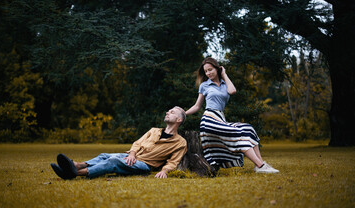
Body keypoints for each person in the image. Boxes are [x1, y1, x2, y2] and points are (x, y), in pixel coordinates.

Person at [185, 57, 279, 173]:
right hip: (209, 119)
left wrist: (224, 74)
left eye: (210, 70)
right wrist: (184, 113)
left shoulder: (225, 84)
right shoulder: (204, 85)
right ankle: (261, 166)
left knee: (248, 128)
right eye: (206, 71)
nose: (208, 73)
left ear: (217, 68)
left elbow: (232, 91)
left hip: (220, 118)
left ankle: (259, 165)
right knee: (238, 134)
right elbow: (197, 106)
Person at [50, 106, 187, 179]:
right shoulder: (154, 130)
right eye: (168, 111)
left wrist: (164, 171)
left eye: (172, 112)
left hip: (145, 165)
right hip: (131, 157)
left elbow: (173, 162)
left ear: (179, 120)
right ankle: (75, 166)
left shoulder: (180, 142)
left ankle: (75, 173)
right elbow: (137, 143)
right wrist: (132, 154)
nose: (168, 112)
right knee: (105, 155)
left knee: (113, 161)